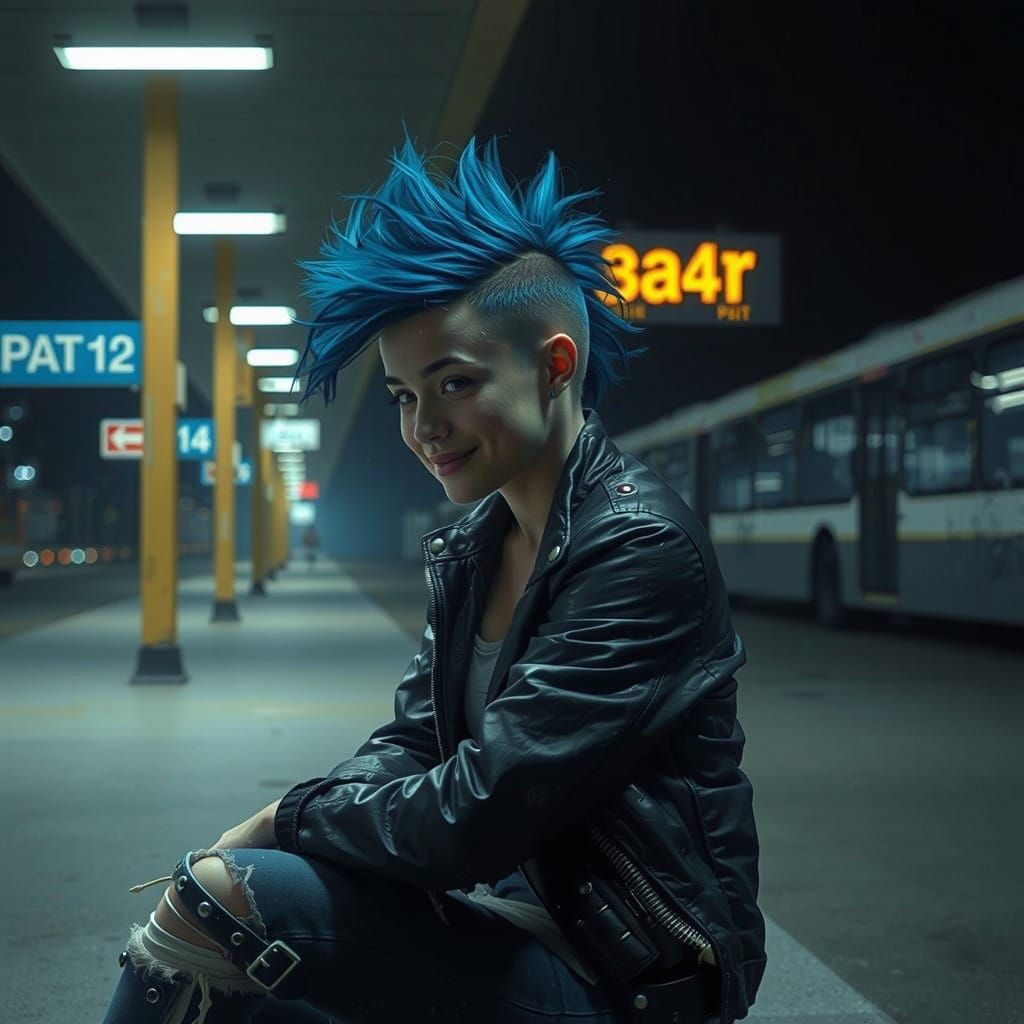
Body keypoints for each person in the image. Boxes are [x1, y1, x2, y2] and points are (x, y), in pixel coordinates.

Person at [98, 130, 766, 1024]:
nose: (424, 428)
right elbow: (416, 741)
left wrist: (285, 821)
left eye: (453, 384)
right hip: (534, 921)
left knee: (225, 898)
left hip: (639, 975)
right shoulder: (476, 545)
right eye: (406, 396)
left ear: (554, 364)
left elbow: (473, 814)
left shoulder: (640, 549)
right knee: (251, 991)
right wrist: (319, 818)